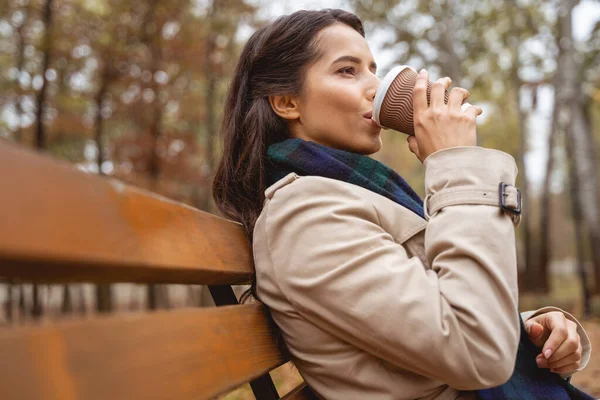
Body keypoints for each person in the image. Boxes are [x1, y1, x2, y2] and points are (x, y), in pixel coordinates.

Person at [212, 9, 592, 400]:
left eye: (373, 69)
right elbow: (478, 352)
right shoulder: (305, 217)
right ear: (287, 102)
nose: (376, 87)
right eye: (347, 70)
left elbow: (429, 322)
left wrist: (529, 328)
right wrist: (457, 162)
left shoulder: (350, 194)